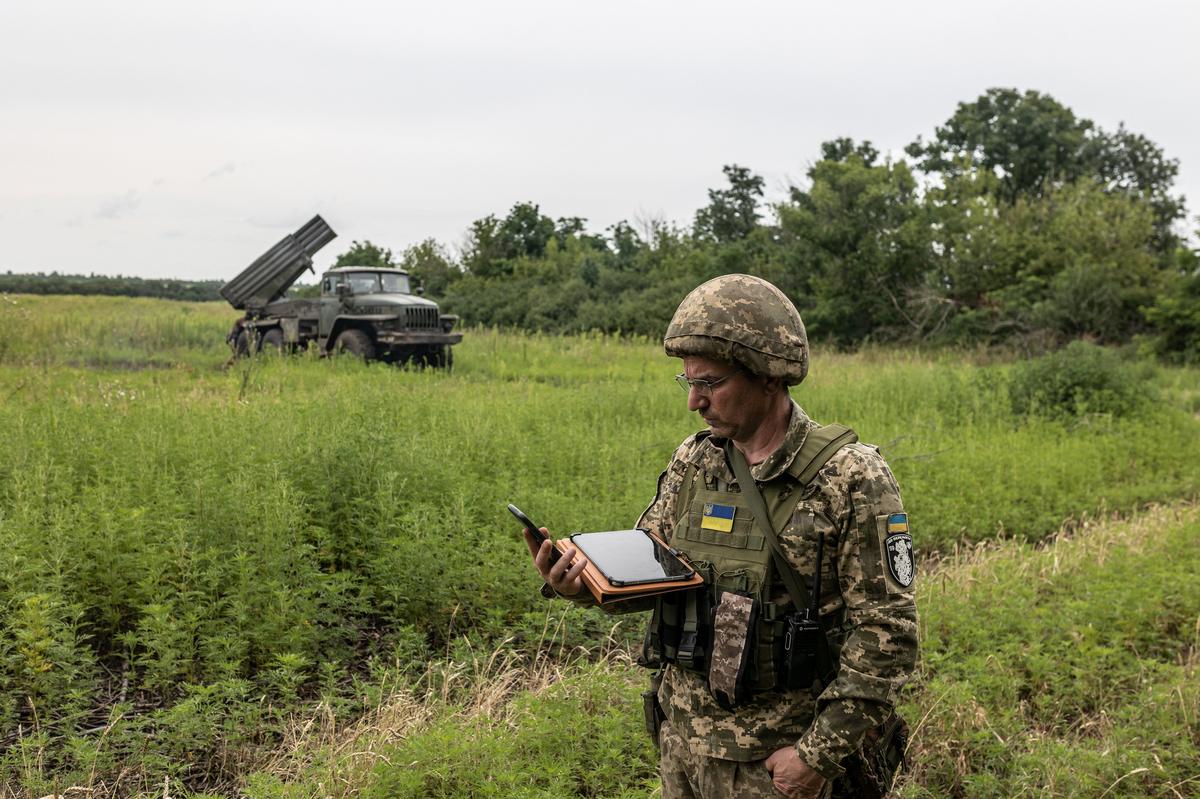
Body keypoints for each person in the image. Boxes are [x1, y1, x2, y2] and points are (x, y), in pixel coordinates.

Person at [525, 274, 918, 799]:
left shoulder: (850, 478)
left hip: (779, 766)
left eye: (709, 383)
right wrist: (580, 586)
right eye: (687, 382)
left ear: (769, 377)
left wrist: (815, 758)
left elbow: (888, 636)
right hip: (683, 752)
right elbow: (654, 578)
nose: (694, 401)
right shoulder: (695, 460)